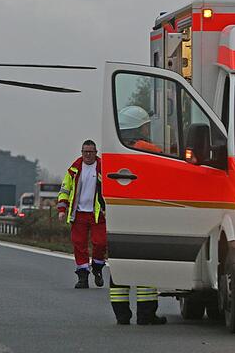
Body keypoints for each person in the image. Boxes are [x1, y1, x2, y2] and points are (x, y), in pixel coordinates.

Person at [111, 106, 168, 325]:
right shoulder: (149, 149)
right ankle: (146, 314)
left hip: (120, 214)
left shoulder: (114, 152)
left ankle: (122, 315)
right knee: (146, 264)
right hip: (147, 214)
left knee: (120, 266)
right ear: (140, 127)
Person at [57, 140, 107, 289]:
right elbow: (65, 190)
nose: (87, 155)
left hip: (98, 214)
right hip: (78, 213)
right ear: (82, 152)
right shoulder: (74, 169)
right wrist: (62, 210)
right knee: (79, 245)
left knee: (100, 243)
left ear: (95, 153)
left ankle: (97, 268)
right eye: (85, 151)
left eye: (90, 152)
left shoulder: (103, 168)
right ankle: (83, 276)